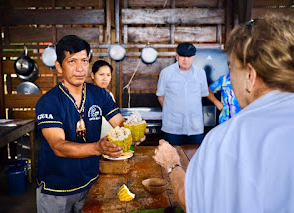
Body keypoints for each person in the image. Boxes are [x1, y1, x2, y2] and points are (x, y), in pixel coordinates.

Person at [153, 13, 294, 213]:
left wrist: (172, 164)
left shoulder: (227, 138)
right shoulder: (167, 74)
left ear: (250, 76)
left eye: (231, 68)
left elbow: (193, 201)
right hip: (174, 124)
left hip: (193, 126)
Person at [35, 35, 145, 213]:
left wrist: (132, 132)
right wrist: (98, 148)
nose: (80, 69)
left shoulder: (99, 94)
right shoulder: (49, 102)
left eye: (84, 61)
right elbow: (58, 147)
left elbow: (120, 123)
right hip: (56, 188)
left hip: (90, 182)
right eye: (72, 61)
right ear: (58, 66)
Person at [156, 42, 209, 145]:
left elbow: (201, 96)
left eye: (189, 56)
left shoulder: (201, 73)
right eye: (182, 56)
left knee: (195, 158)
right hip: (172, 127)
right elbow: (160, 97)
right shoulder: (166, 73)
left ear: (194, 57)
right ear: (177, 56)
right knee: (171, 159)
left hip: (195, 127)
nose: (185, 59)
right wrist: (171, 112)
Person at [90, 60, 115, 138]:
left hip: (109, 138)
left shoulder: (109, 95)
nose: (105, 78)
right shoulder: (88, 95)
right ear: (93, 75)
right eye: (101, 74)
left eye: (108, 75)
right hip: (94, 141)